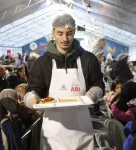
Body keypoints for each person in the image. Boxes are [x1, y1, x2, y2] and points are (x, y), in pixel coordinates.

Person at [24, 13, 104, 150]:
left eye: (69, 33)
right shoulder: (42, 63)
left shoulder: (88, 59)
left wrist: (93, 94)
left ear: (74, 32)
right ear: (53, 33)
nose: (65, 38)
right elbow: (33, 90)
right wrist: (31, 98)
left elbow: (98, 85)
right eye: (60, 33)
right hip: (53, 134)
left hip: (82, 132)